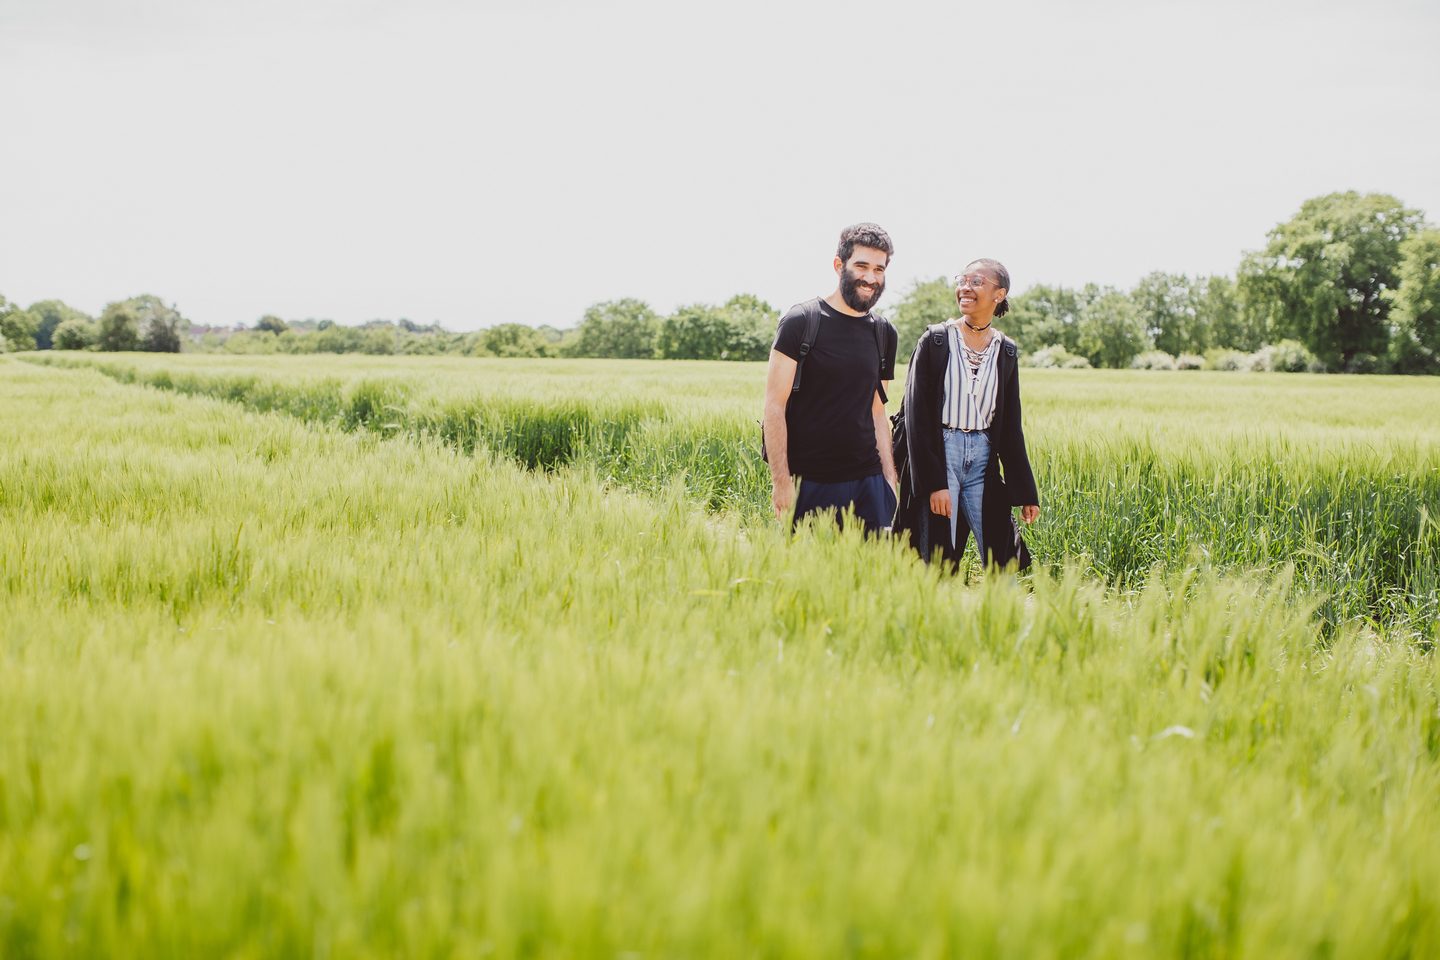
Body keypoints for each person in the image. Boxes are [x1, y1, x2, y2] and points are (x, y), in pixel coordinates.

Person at [894, 258, 1040, 567]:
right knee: (938, 558)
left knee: (1002, 557)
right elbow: (917, 419)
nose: (965, 288)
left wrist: (1026, 490)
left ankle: (1001, 615)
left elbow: (1011, 425)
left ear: (998, 294)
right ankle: (939, 614)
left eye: (976, 282)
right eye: (962, 280)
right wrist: (935, 484)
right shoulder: (935, 341)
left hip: (983, 460)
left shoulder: (1006, 350)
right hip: (942, 453)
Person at [762, 222, 900, 533]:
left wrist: (889, 478)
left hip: (869, 483)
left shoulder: (884, 333)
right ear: (839, 265)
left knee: (870, 579)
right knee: (810, 580)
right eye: (861, 266)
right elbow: (774, 406)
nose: (870, 277)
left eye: (879, 269)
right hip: (809, 483)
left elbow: (878, 410)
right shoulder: (801, 321)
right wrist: (781, 481)